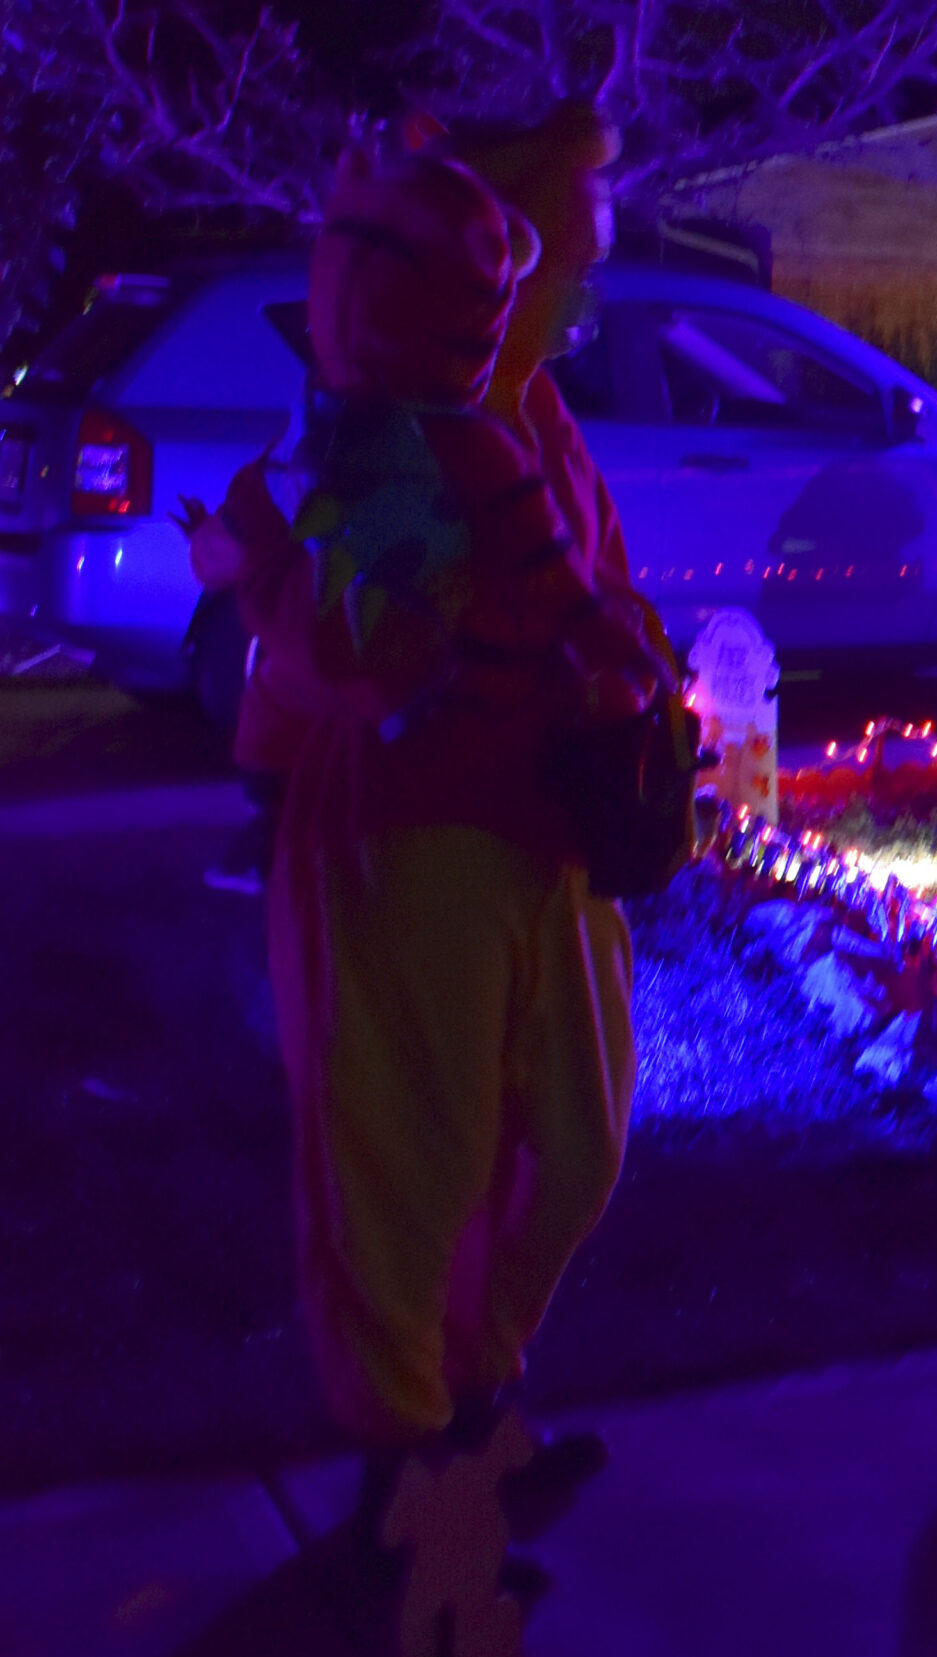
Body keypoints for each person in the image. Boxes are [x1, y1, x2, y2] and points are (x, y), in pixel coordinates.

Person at [190, 115, 669, 1573]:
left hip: (549, 839)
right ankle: (411, 1470)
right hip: (409, 838)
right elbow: (332, 649)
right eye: (570, 258)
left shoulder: (536, 422)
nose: (588, 289)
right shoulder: (391, 426)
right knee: (408, 1162)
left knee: (576, 1145)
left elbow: (601, 589)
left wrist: (635, 679)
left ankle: (474, 1393)